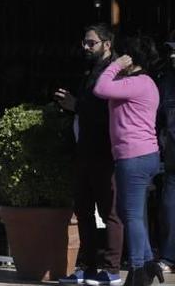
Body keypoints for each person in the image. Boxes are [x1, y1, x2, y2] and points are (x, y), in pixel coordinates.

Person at [54, 24, 124, 286]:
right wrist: (72, 105)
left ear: (107, 44)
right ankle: (88, 265)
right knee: (83, 210)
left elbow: (109, 110)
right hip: (84, 148)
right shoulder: (89, 71)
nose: (85, 47)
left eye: (91, 43)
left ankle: (111, 267)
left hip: (105, 150)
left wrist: (77, 105)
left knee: (110, 210)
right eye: (84, 42)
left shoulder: (114, 71)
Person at [93, 35, 163, 286]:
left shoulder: (138, 83)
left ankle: (137, 271)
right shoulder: (143, 83)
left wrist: (114, 66)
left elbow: (100, 88)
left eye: (121, 55)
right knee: (129, 212)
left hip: (133, 157)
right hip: (141, 156)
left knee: (131, 215)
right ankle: (147, 261)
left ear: (129, 58)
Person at [156, 34, 175, 273]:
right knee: (169, 206)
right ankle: (170, 257)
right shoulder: (166, 80)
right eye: (170, 51)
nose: (171, 55)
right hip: (172, 153)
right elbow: (156, 116)